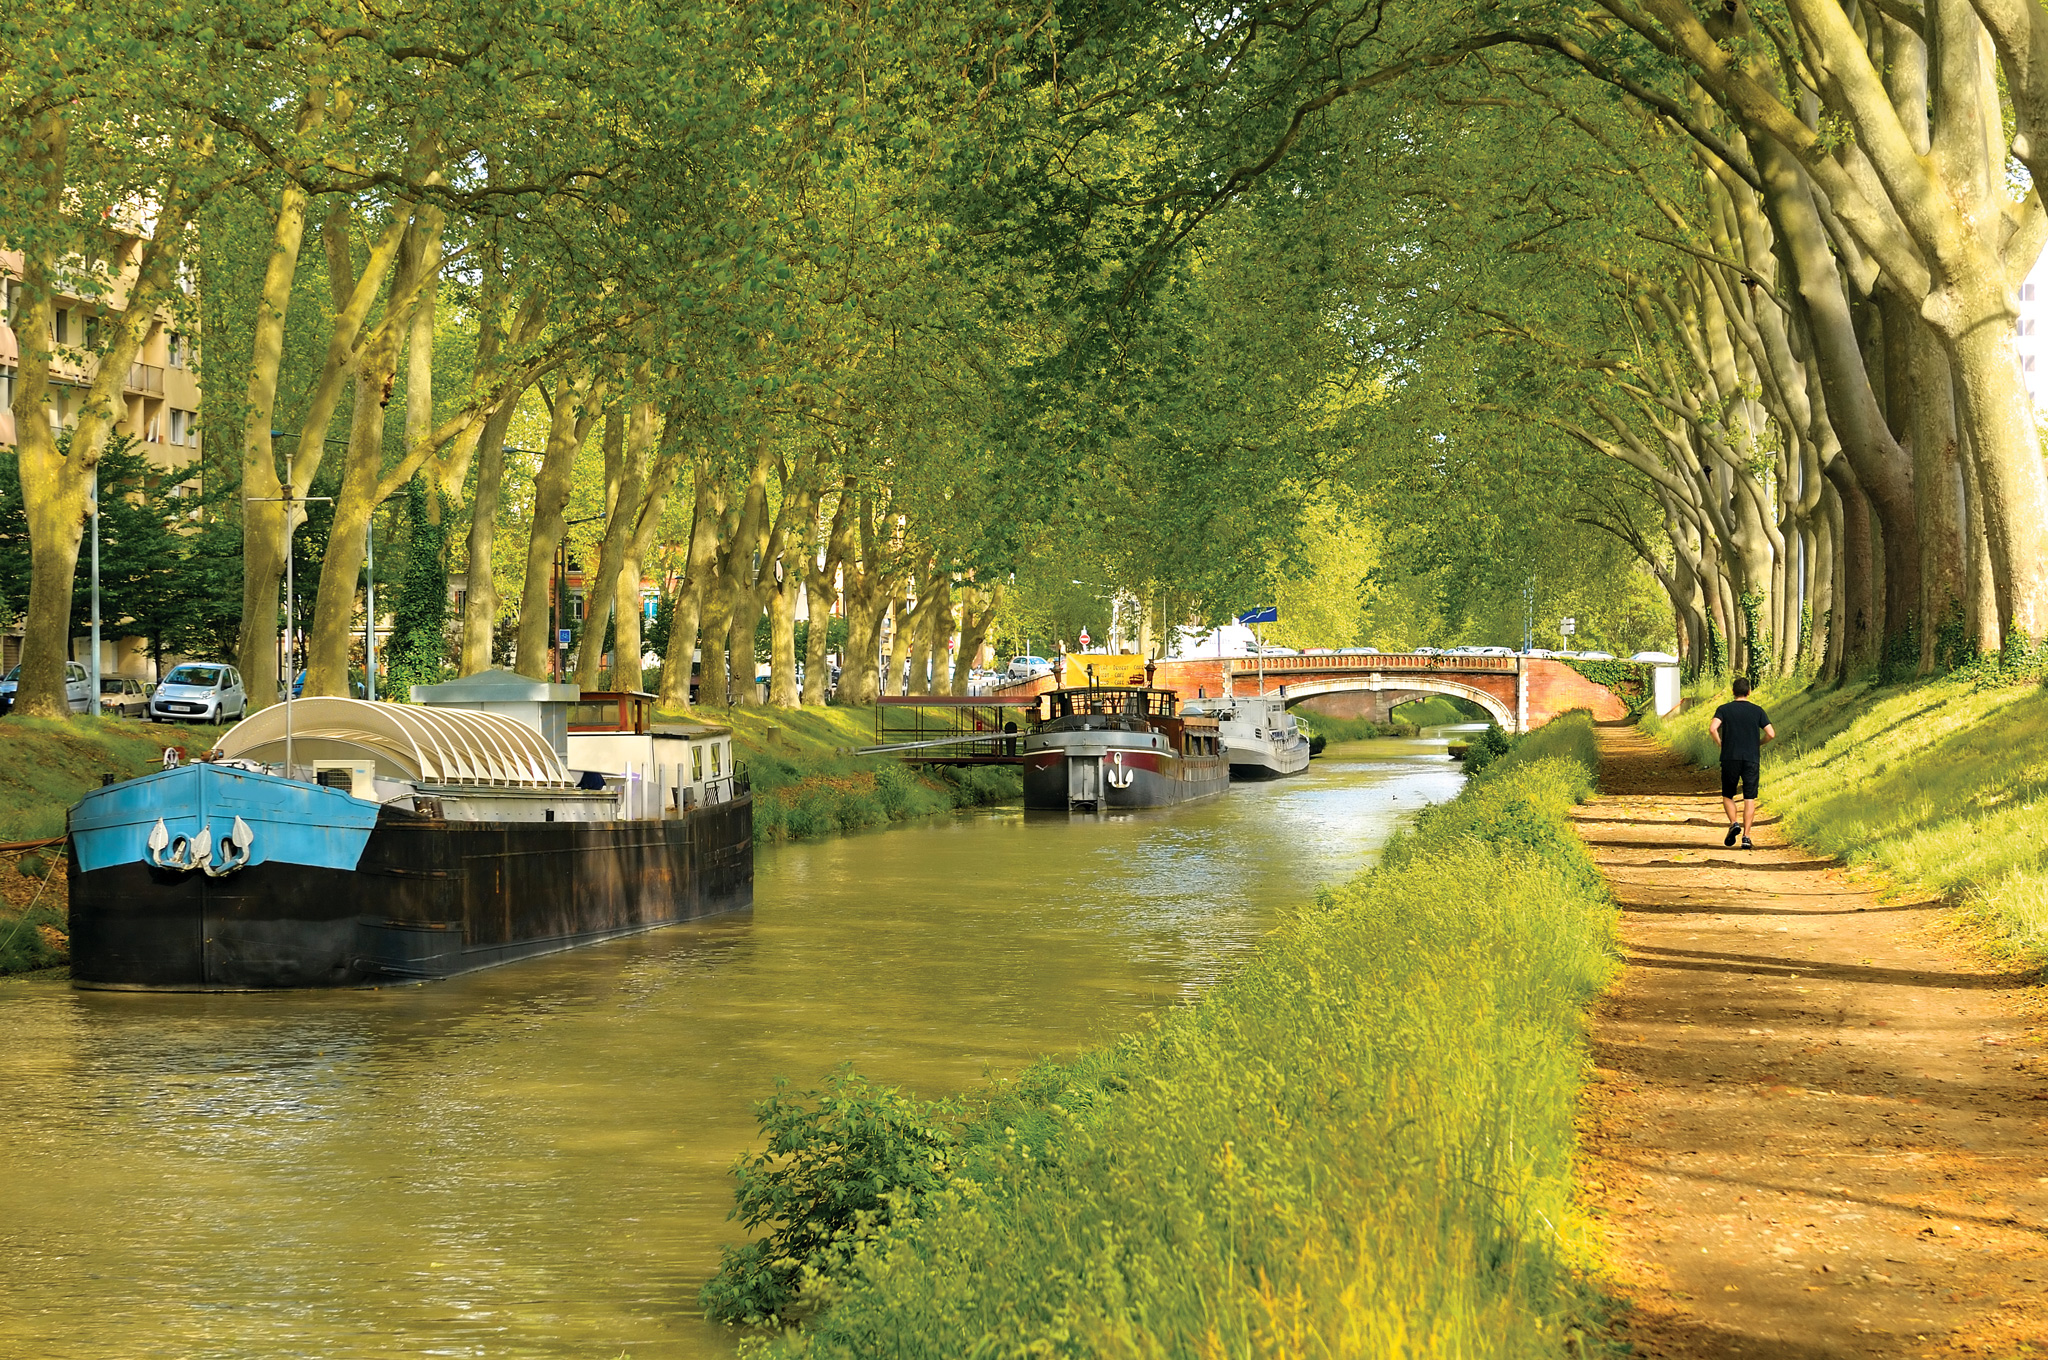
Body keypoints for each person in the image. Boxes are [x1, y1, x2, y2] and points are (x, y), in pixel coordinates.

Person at [1709, 676, 1776, 849]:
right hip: (1751, 758)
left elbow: (1712, 728)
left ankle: (1734, 823)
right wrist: (1759, 743)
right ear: (1749, 692)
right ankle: (1746, 837)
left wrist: (1720, 744)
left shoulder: (1724, 709)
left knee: (1728, 795)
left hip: (1730, 757)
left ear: (1733, 692)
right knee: (1749, 798)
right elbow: (1771, 733)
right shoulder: (1757, 711)